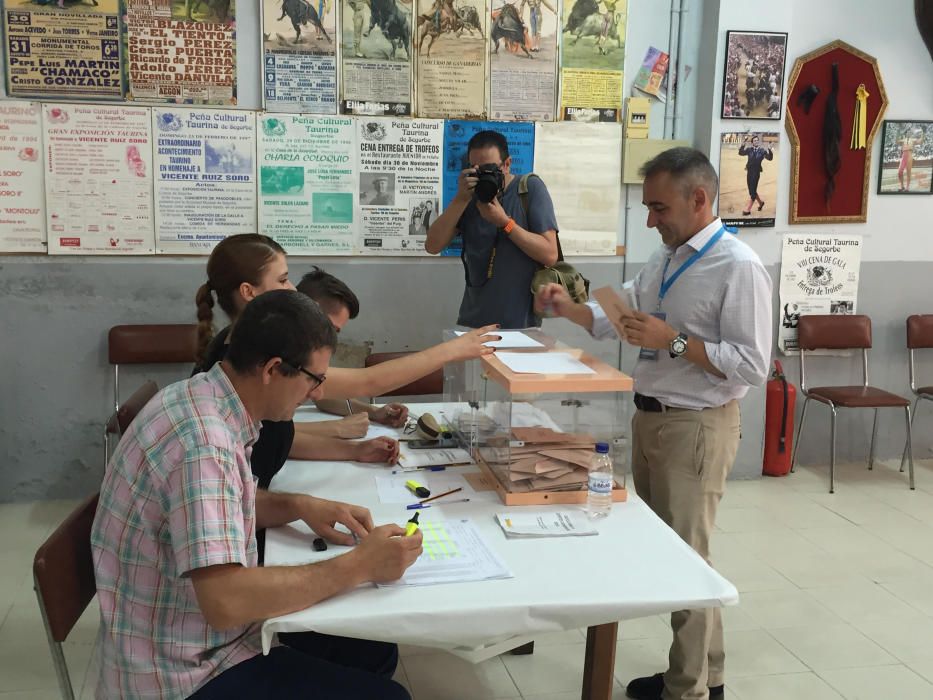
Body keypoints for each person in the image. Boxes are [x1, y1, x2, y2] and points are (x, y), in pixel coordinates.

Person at [92, 290, 422, 699]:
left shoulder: (199, 396)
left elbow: (214, 504)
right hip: (184, 675)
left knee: (371, 649)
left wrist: (299, 505)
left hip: (186, 639)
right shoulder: (206, 444)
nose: (317, 394)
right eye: (314, 380)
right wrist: (360, 564)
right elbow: (226, 601)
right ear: (272, 369)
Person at [535, 147, 772, 700]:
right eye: (647, 208)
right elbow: (626, 316)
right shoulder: (665, 259)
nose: (650, 220)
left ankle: (683, 691)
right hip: (650, 420)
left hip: (696, 426)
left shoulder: (736, 266)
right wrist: (569, 309)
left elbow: (753, 363)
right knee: (678, 556)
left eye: (658, 208)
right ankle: (703, 678)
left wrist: (676, 342)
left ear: (699, 198)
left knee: (687, 561)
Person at [194, 234, 497, 490]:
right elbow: (370, 381)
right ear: (248, 292)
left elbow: (275, 438)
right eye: (283, 279)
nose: (293, 289)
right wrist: (452, 350)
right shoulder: (249, 360)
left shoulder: (235, 341)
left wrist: (354, 449)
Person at [425, 129, 559, 328]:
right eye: (475, 168)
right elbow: (432, 246)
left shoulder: (529, 189)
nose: (483, 174)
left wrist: (505, 223)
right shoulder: (469, 197)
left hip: (522, 323)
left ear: (507, 164)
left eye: (490, 168)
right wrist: (460, 199)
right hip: (473, 322)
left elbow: (549, 254)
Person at [738, 135, 773, 215]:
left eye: (757, 140)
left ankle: (748, 210)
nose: (756, 141)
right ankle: (761, 203)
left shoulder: (762, 151)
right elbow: (740, 153)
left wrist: (769, 149)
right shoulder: (749, 150)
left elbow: (770, 158)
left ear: (758, 141)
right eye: (754, 140)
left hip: (756, 173)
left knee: (752, 192)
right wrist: (743, 144)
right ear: (752, 142)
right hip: (749, 172)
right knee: (751, 191)